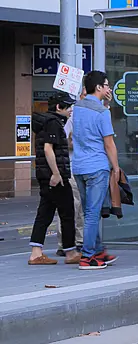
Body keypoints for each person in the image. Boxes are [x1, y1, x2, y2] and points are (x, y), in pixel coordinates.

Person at [71, 70, 119, 270]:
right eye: (106, 85)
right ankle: (88, 256)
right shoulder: (102, 113)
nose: (109, 88)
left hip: (79, 166)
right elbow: (108, 143)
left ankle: (97, 250)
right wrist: (115, 167)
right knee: (92, 213)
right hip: (97, 167)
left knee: (90, 211)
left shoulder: (77, 108)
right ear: (99, 87)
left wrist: (105, 103)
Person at [28, 94, 81, 265]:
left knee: (45, 213)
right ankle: (70, 252)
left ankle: (36, 253)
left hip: (46, 175)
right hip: (55, 176)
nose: (71, 109)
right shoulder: (53, 122)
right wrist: (57, 174)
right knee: (67, 212)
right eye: (68, 106)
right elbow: (48, 149)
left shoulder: (48, 122)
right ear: (59, 107)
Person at [55, 86, 86, 256]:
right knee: (70, 205)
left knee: (81, 206)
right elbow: (63, 141)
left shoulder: (91, 115)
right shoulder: (71, 117)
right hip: (72, 166)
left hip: (84, 166)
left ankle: (79, 240)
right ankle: (64, 243)